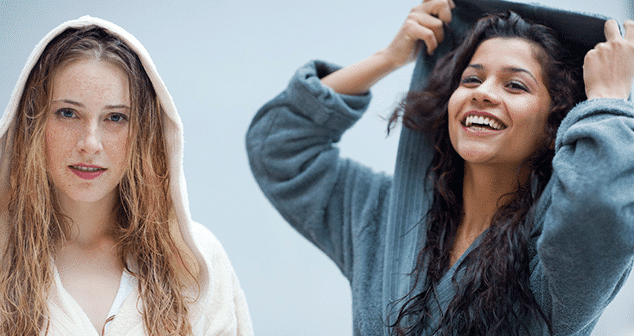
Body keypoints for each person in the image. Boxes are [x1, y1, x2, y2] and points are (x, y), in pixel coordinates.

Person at [246, 0, 634, 334]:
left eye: (515, 85)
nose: (482, 93)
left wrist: (607, 102)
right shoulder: (380, 219)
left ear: (557, 125)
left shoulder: (552, 254)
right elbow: (277, 149)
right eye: (471, 79)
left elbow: (599, 211)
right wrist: (389, 58)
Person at [0, 16, 253, 336]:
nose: (90, 144)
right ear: (34, 121)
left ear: (143, 133)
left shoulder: (198, 261)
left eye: (115, 117)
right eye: (68, 113)